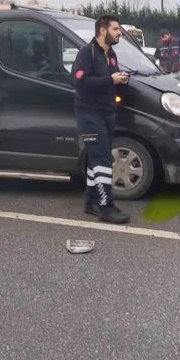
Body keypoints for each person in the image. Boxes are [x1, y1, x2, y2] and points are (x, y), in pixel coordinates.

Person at [72, 15, 131, 224]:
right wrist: (110, 79)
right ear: (103, 31)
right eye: (115, 29)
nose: (119, 33)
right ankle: (106, 206)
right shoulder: (86, 52)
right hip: (89, 113)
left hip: (107, 112)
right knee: (103, 159)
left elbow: (110, 79)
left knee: (97, 157)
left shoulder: (111, 54)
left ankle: (90, 201)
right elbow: (79, 81)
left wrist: (121, 78)